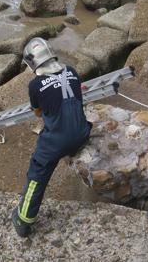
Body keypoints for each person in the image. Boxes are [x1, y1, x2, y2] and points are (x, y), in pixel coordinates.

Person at [12, 37, 91, 237]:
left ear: (33, 63)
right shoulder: (72, 71)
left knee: (37, 174)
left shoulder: (35, 85)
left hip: (58, 140)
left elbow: (38, 112)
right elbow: (77, 100)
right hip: (82, 132)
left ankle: (23, 219)